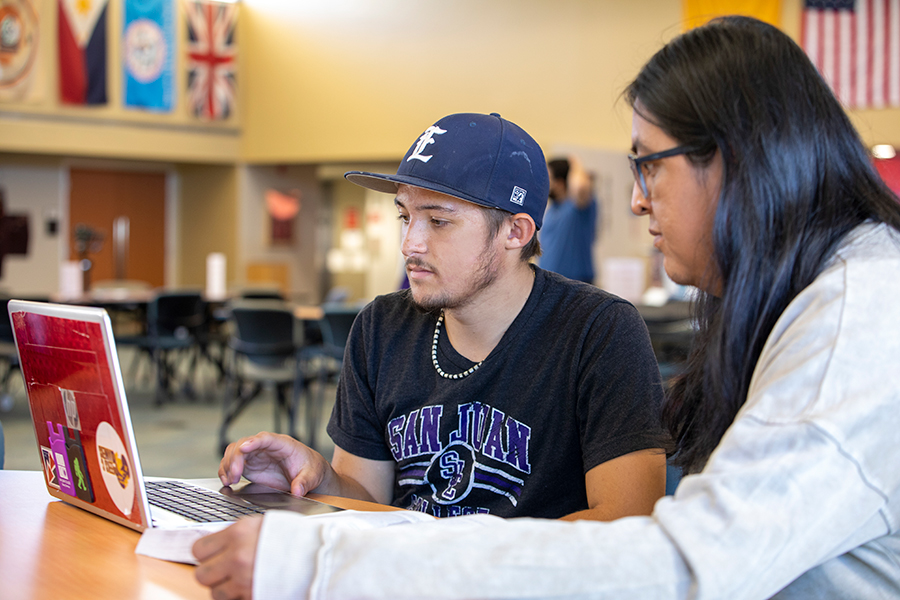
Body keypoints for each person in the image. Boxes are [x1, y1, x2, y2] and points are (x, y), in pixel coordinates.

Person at [193, 18, 900, 599]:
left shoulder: (853, 323)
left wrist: (324, 566)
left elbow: (684, 568)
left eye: (649, 164)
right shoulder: (821, 296)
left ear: (735, 159)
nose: (636, 199)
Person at [209, 112, 667, 523]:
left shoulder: (599, 332)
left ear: (515, 231)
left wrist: (440, 561)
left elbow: (625, 527)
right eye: (405, 217)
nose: (410, 244)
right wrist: (318, 478)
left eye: (438, 221)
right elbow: (367, 500)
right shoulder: (380, 328)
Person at [538, 156, 598, 283]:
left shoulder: (578, 206)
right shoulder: (552, 209)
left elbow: (581, 186)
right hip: (550, 283)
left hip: (576, 284)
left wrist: (574, 164)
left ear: (559, 183)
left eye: (549, 178)